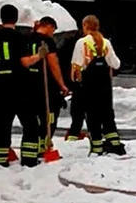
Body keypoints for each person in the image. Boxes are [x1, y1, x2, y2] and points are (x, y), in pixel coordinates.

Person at [0, 4, 44, 167]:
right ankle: (29, 159)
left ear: (1, 18)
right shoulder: (19, 38)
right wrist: (39, 56)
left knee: (2, 121)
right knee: (30, 122)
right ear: (15, 18)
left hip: (1, 86)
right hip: (19, 85)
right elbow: (24, 62)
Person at [70, 15, 125, 156]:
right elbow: (116, 64)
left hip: (89, 85)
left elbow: (77, 65)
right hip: (104, 85)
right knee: (107, 114)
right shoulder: (106, 43)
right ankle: (115, 143)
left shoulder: (82, 43)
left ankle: (97, 147)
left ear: (84, 26)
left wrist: (75, 81)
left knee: (92, 115)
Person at [29, 17, 69, 156]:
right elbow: (53, 64)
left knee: (34, 116)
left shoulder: (27, 38)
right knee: (49, 116)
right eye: (53, 30)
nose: (53, 33)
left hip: (29, 83)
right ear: (49, 26)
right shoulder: (47, 41)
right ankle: (44, 144)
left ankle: (35, 144)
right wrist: (62, 84)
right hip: (45, 84)